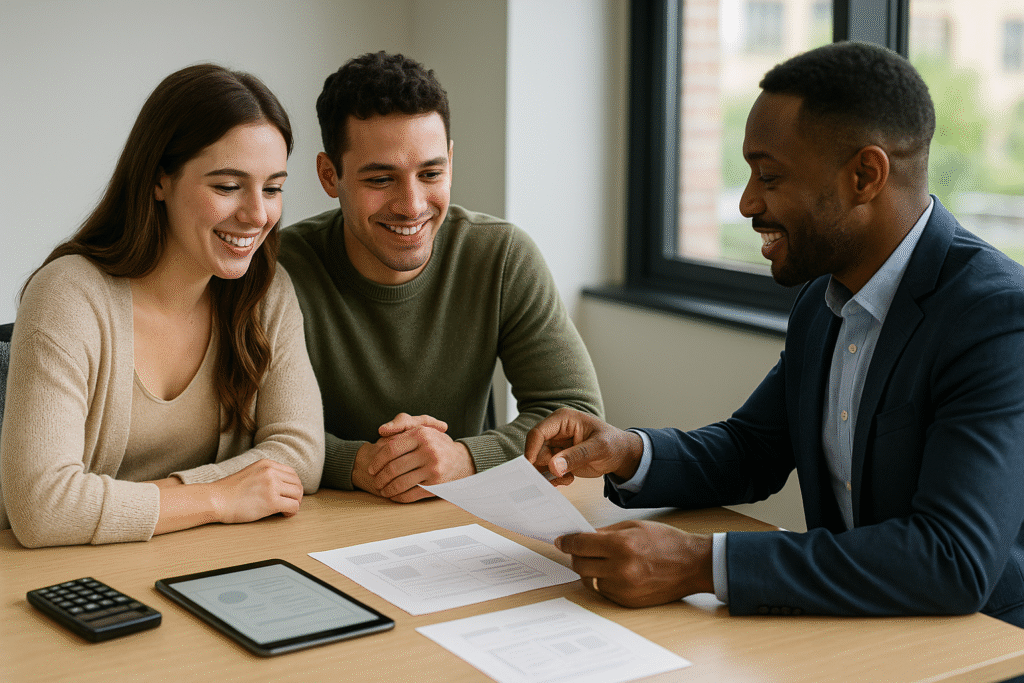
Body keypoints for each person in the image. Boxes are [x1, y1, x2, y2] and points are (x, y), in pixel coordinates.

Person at [525, 41, 1024, 631]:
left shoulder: (996, 318)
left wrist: (700, 563)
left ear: (865, 175)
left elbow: (952, 560)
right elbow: (752, 449)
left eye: (770, 176)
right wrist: (628, 451)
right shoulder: (823, 300)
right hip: (851, 625)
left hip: (981, 645)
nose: (746, 202)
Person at [0, 64, 325, 547]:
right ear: (159, 180)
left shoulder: (267, 292)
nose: (258, 215)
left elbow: (299, 455)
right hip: (70, 578)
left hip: (199, 560)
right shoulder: (68, 297)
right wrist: (217, 497)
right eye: (227, 186)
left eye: (273, 188)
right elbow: (43, 508)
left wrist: (154, 502)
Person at [278, 51, 603, 503]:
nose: (412, 205)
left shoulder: (501, 256)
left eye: (431, 173)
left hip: (461, 520)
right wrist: (354, 463)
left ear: (450, 160)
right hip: (311, 520)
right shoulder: (278, 267)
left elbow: (578, 419)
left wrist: (465, 459)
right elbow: (235, 427)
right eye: (381, 180)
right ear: (330, 175)